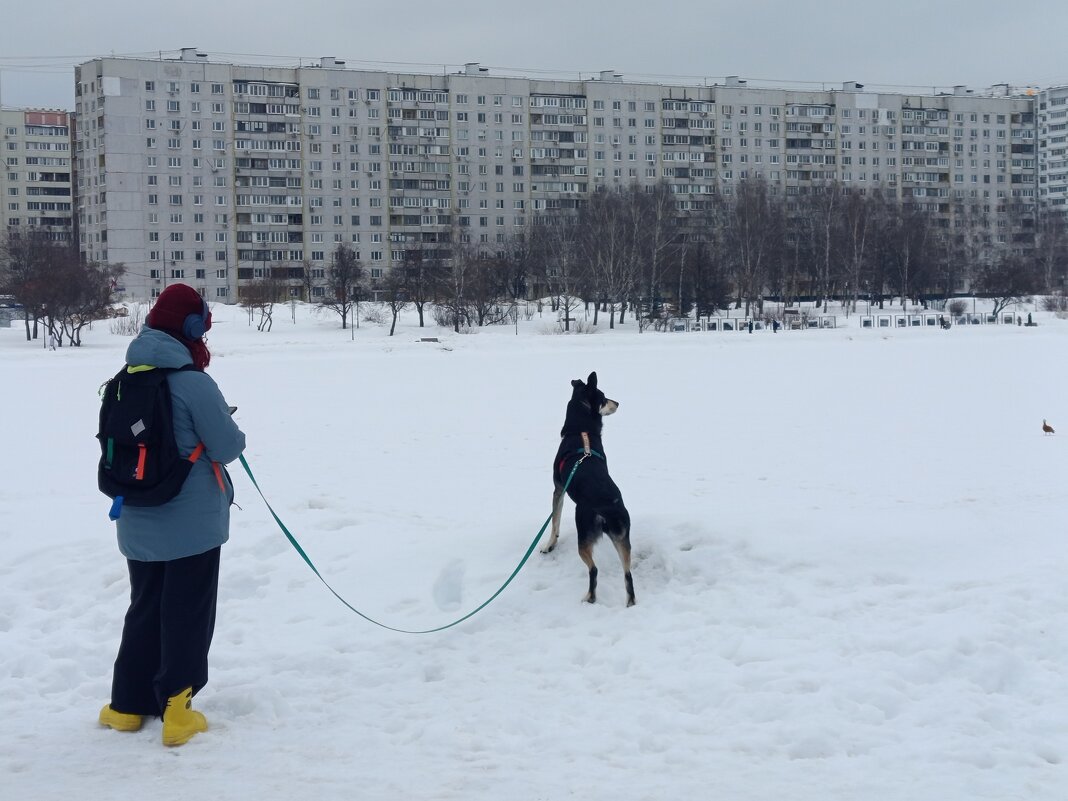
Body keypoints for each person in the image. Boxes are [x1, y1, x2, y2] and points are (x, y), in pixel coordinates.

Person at [98, 283, 245, 747]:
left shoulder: (125, 378)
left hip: (136, 520)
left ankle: (125, 706)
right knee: (187, 612)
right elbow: (226, 446)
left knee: (144, 608)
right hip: (191, 525)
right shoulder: (193, 382)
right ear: (191, 328)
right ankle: (177, 710)